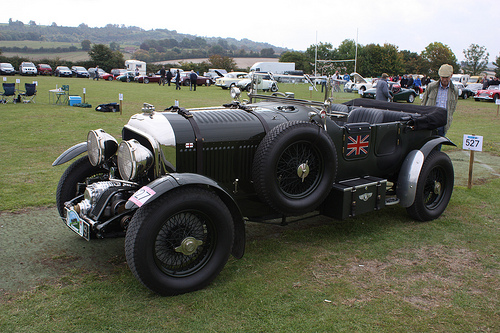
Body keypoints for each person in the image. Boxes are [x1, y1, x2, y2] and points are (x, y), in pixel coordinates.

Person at [421, 64, 458, 137]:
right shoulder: (431, 86)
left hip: (443, 122)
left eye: (446, 77)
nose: (444, 79)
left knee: (439, 142)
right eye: (442, 77)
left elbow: (453, 107)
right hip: (430, 119)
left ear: (451, 76)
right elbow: (423, 103)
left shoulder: (454, 90)